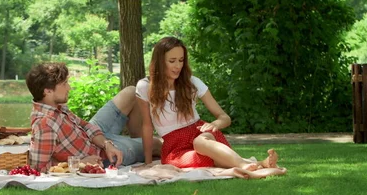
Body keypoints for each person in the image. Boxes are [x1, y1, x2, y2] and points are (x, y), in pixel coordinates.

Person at [135, 37, 286, 177]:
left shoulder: (192, 82)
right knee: (202, 158)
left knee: (200, 143)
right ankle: (260, 165)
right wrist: (148, 163)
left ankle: (243, 165)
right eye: (172, 61)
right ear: (160, 62)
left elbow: (224, 118)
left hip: (202, 134)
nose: (178, 66)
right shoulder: (145, 86)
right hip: (175, 148)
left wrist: (214, 124)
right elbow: (147, 126)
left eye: (181, 60)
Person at [26, 62, 162, 172]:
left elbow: (85, 125)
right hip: (101, 156)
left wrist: (107, 143)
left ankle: (137, 146)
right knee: (156, 143)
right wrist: (80, 163)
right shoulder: (45, 124)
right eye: (64, 84)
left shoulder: (57, 107)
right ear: (48, 91)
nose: (69, 88)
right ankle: (138, 149)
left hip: (95, 139)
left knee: (131, 92)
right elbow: (39, 167)